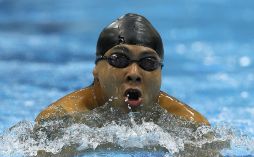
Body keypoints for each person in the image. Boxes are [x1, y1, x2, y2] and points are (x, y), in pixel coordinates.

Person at [35, 13, 210, 126]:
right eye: (119, 60)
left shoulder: (190, 124)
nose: (134, 73)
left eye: (148, 62)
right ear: (96, 69)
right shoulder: (60, 119)